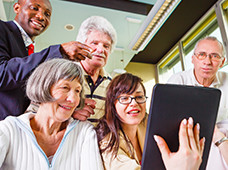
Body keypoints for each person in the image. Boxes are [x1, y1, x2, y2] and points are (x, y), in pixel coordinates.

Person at [0, 58, 103, 169]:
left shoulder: (85, 133)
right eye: (65, 87)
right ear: (43, 87)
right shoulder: (8, 130)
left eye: (77, 91)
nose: (73, 99)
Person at [0, 0, 93, 120]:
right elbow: (2, 74)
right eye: (34, 8)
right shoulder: (2, 29)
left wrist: (66, 107)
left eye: (47, 14)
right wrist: (59, 51)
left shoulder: (28, 51)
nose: (41, 16)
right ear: (17, 8)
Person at [95, 73, 205, 170]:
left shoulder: (149, 123)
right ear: (113, 104)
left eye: (139, 97)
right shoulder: (107, 141)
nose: (134, 103)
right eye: (124, 98)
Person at [167, 36, 228, 169]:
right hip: (186, 141)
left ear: (222, 62)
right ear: (193, 59)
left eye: (215, 56)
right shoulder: (177, 81)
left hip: (220, 145)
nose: (207, 61)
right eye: (202, 55)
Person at [74, 15, 117, 122]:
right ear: (82, 45)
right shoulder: (65, 75)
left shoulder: (111, 83)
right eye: (95, 43)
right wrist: (69, 111)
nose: (100, 49)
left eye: (106, 46)